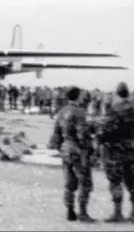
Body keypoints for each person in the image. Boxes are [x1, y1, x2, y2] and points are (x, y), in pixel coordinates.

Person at [97, 82, 134, 223]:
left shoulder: (116, 109)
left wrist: (102, 139)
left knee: (116, 180)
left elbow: (107, 128)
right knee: (131, 181)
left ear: (117, 93)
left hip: (116, 149)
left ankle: (118, 213)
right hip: (131, 147)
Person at [50, 86, 95, 222]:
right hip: (78, 151)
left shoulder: (62, 111)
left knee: (69, 182)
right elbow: (82, 134)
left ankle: (70, 211)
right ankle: (82, 213)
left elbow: (56, 133)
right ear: (78, 96)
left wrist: (61, 148)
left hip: (66, 149)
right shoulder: (79, 112)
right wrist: (89, 149)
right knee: (85, 182)